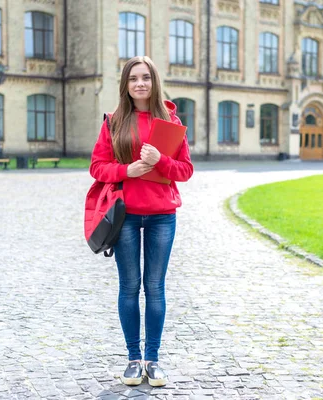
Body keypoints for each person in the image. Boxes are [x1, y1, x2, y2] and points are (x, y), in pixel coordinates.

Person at [89, 56, 194, 386]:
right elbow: (96, 167)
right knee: (130, 288)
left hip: (163, 216)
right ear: (126, 84)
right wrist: (126, 170)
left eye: (146, 77)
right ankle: (133, 359)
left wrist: (160, 160)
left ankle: (153, 359)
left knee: (155, 288)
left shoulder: (171, 122)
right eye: (133, 78)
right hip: (128, 217)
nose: (140, 84)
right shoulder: (114, 121)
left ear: (154, 81)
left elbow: (185, 171)